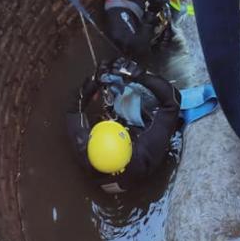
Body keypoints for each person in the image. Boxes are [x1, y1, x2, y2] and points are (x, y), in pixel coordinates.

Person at [66, 57, 182, 194]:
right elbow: (173, 101)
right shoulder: (146, 151)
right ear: (130, 144)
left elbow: (74, 109)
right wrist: (142, 76)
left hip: (119, 182)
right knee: (142, 100)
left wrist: (94, 81)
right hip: (141, 172)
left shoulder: (86, 152)